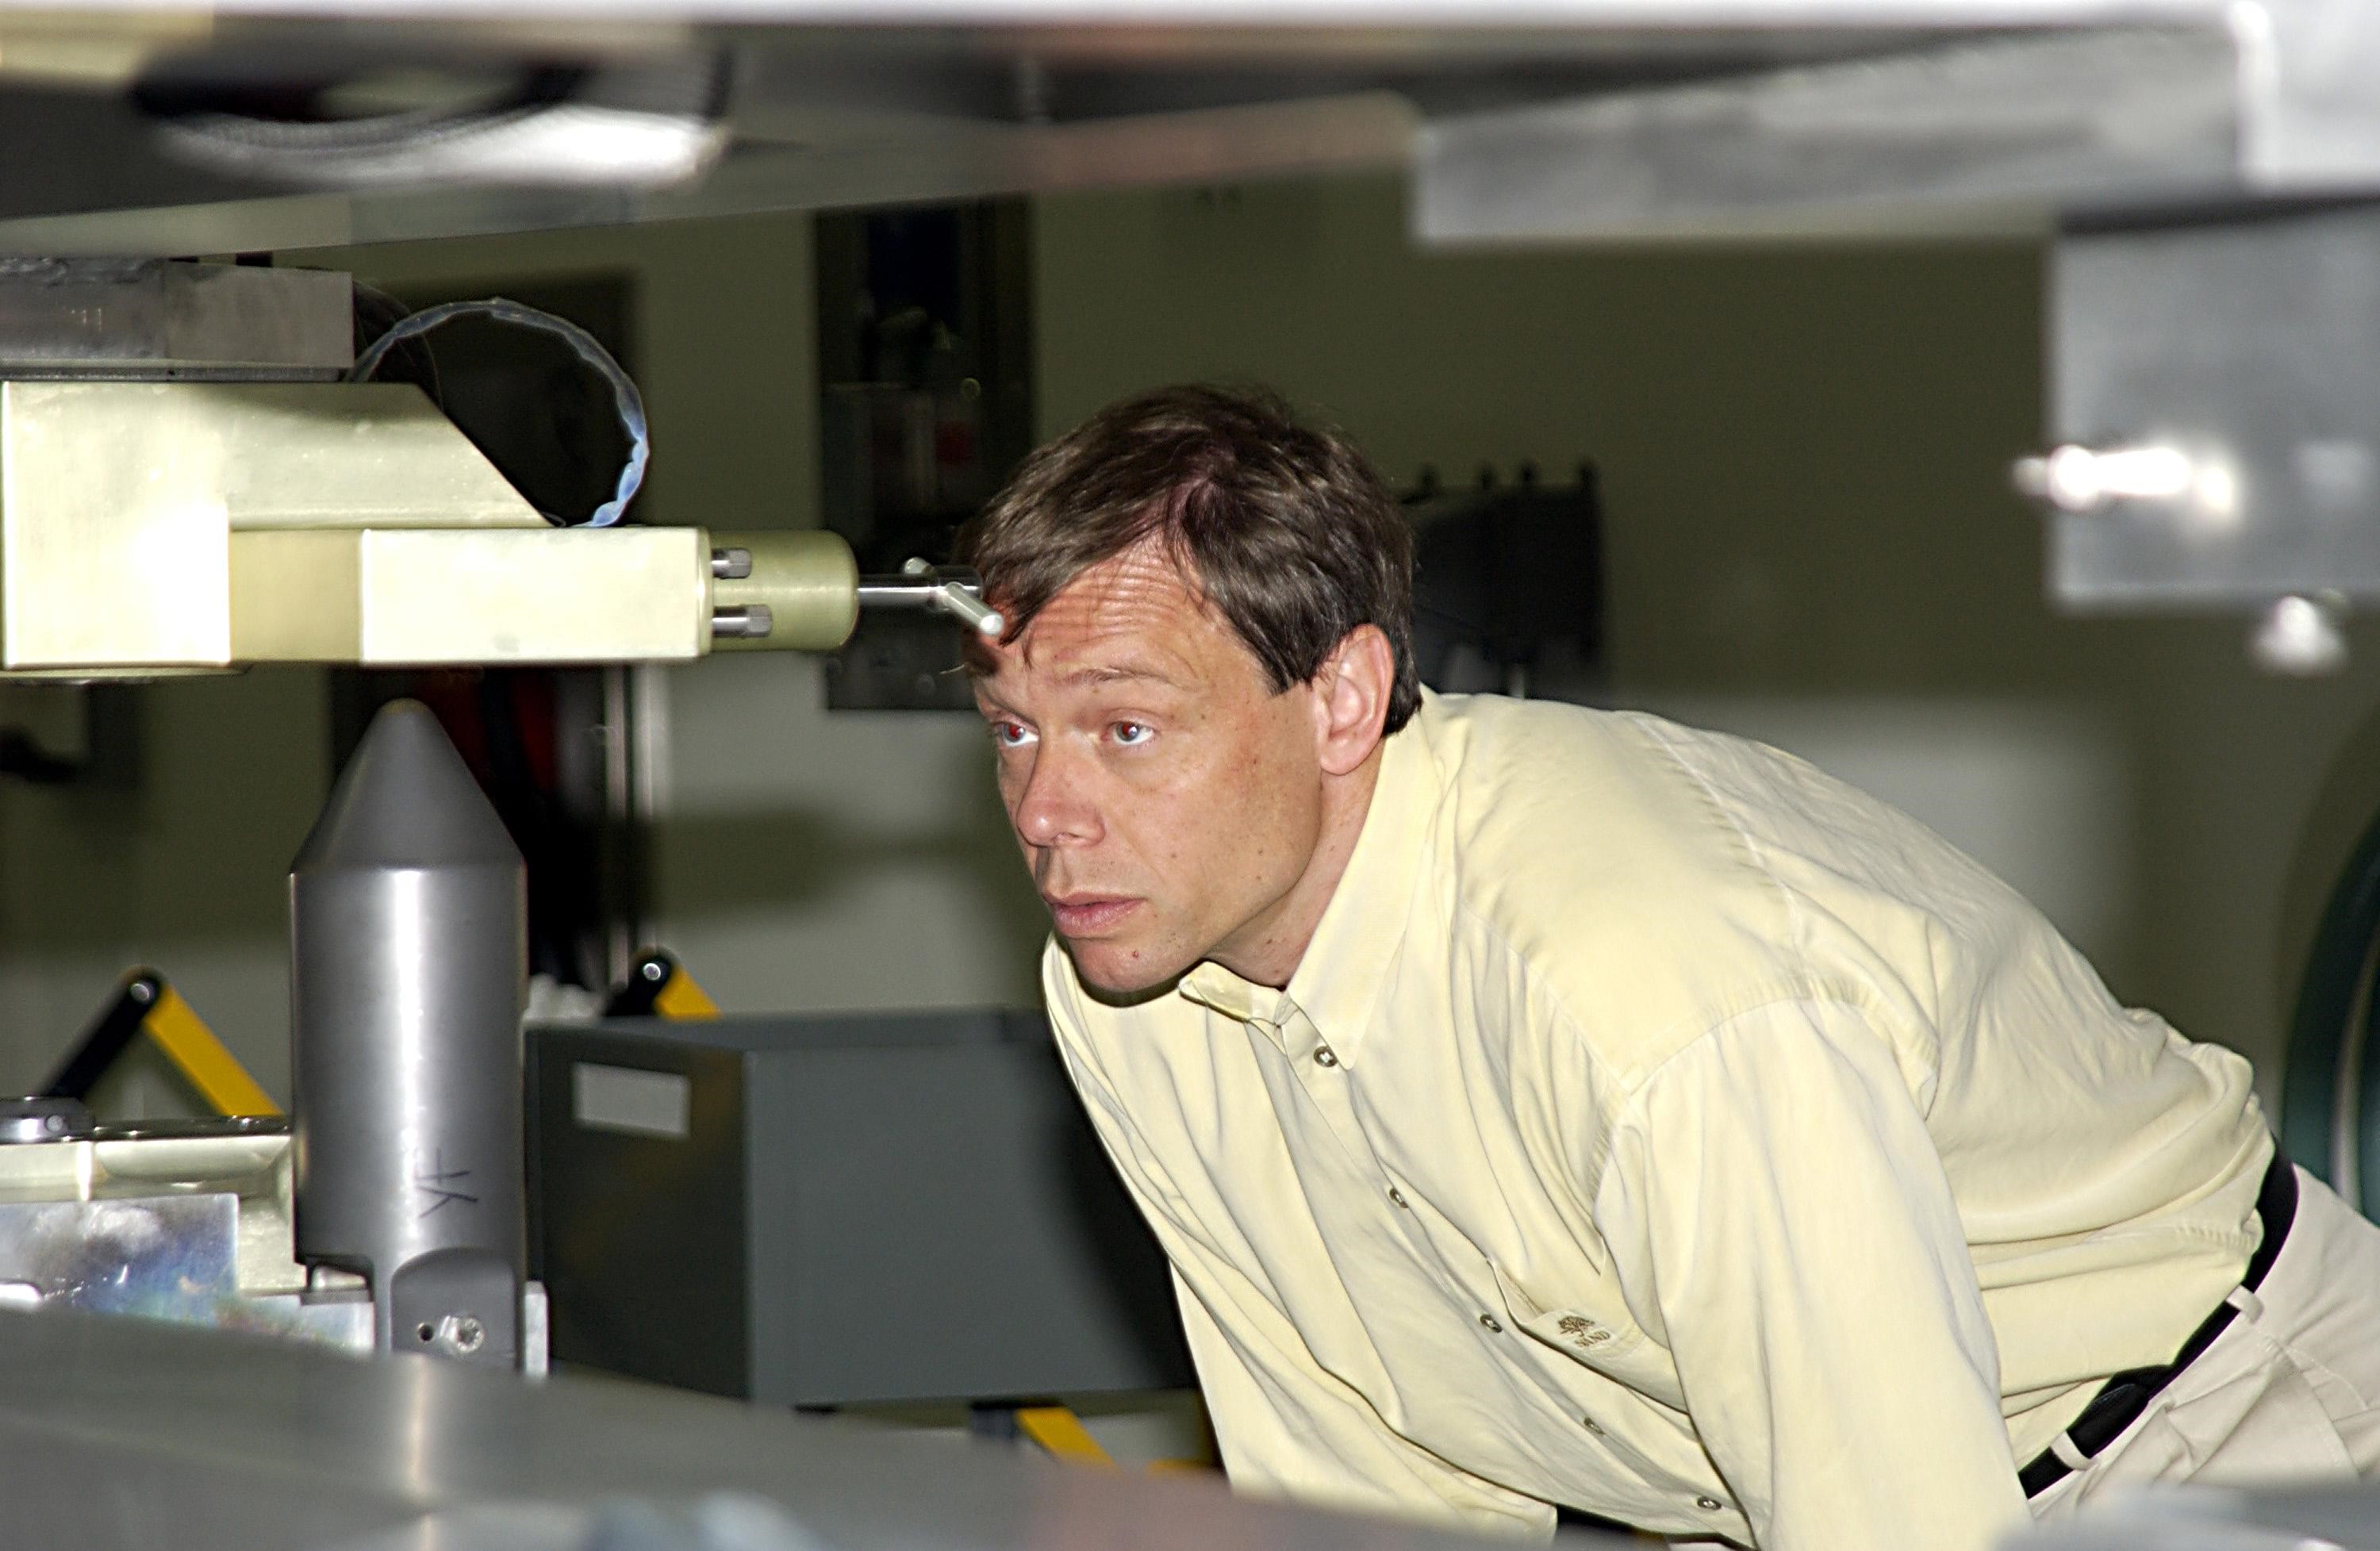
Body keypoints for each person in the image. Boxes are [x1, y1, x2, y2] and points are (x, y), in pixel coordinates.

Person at [954, 384, 2380, 1551]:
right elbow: (1351, 1481)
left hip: (2224, 1446)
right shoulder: (1134, 991)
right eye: (1015, 730)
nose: (1046, 814)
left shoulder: (1640, 988)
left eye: (1126, 730)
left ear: (1343, 697)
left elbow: (1889, 1520)